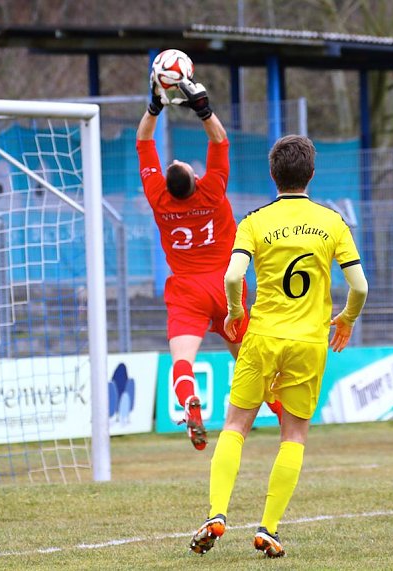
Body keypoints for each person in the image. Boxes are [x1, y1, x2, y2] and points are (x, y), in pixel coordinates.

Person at [189, 134, 368, 558]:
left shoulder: (254, 221)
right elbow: (359, 285)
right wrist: (346, 318)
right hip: (308, 341)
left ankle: (217, 512)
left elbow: (233, 277)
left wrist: (235, 310)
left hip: (264, 336)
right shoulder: (333, 222)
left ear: (272, 174)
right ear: (312, 173)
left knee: (235, 426)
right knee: (294, 434)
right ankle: (268, 527)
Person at [137, 75, 280, 450]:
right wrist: (202, 106)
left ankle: (190, 403)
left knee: (182, 361)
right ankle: (286, 420)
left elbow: (143, 142)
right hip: (227, 286)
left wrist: (155, 104)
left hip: (187, 291)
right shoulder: (213, 191)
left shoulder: (158, 198)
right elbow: (219, 139)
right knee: (250, 363)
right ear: (196, 178)